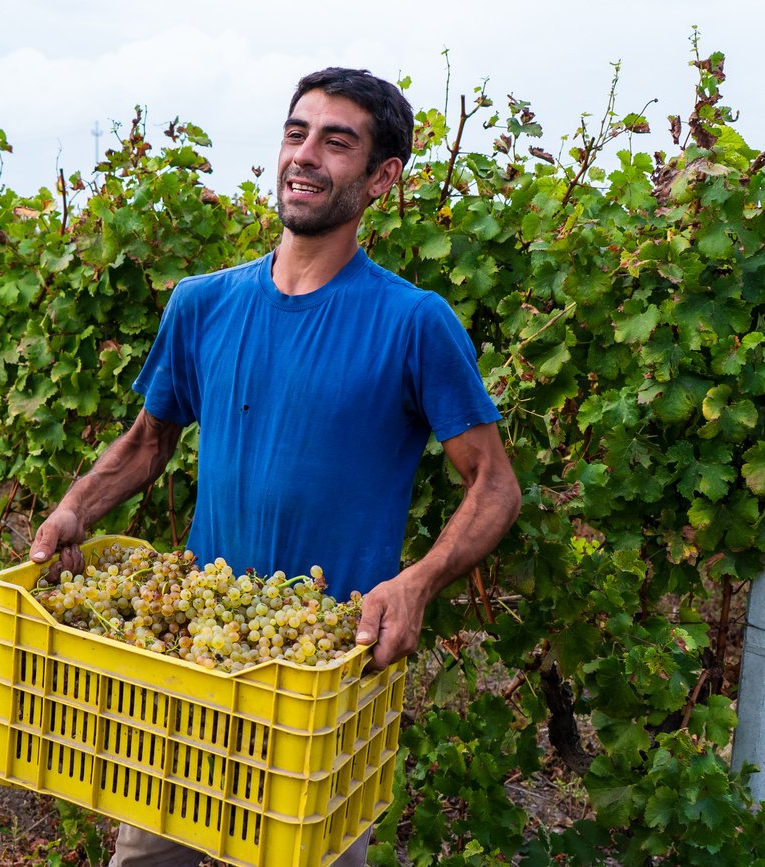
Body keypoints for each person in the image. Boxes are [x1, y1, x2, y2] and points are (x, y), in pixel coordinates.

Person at [29, 67, 522, 867]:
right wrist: (76, 506)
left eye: (337, 142)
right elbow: (147, 441)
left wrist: (418, 580)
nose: (306, 155)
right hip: (190, 670)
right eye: (297, 132)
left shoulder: (414, 323)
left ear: (382, 178)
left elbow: (495, 483)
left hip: (318, 693)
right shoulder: (202, 302)